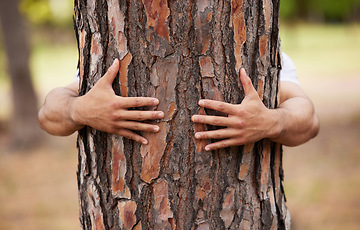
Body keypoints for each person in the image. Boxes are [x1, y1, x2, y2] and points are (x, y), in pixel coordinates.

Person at [38, 53, 319, 149]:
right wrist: (78, 109)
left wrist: (273, 121)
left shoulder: (266, 50)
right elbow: (49, 114)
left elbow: (308, 120)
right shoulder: (113, 48)